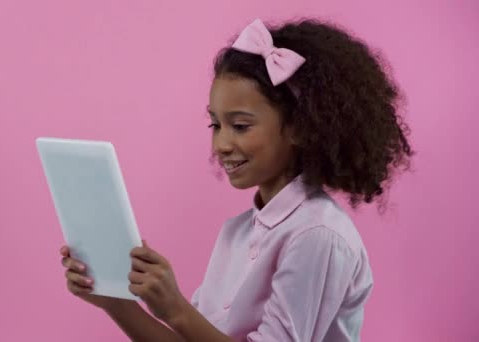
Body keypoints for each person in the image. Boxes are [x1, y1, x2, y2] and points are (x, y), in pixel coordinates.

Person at [59, 17, 413, 342]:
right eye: (215, 124)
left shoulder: (317, 235)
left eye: (240, 126)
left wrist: (175, 308)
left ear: (301, 128)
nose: (221, 144)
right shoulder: (238, 232)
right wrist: (116, 302)